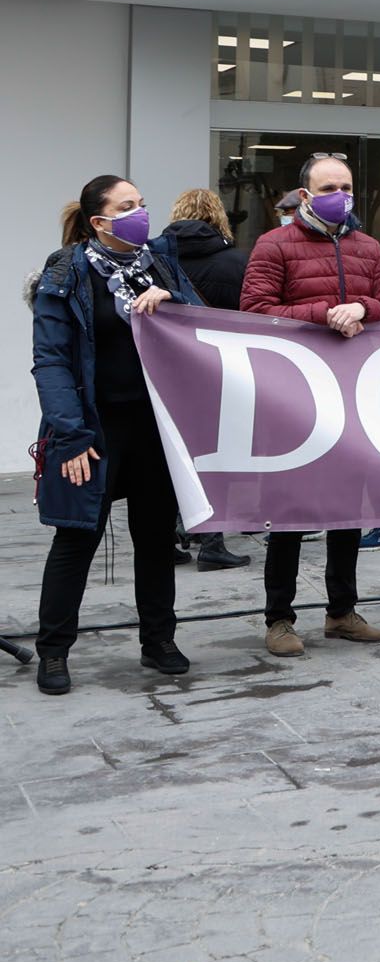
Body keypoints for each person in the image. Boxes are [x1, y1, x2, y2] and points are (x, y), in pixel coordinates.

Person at [28, 176, 203, 695]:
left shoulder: (160, 263)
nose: (140, 213)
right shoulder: (66, 273)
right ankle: (54, 651)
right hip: (92, 428)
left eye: (142, 204)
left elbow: (203, 324)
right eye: (127, 207)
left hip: (154, 426)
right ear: (99, 222)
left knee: (155, 538)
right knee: (76, 538)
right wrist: (71, 436)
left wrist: (173, 298)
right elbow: (51, 362)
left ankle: (159, 640)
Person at [242, 153, 380, 655]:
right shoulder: (274, 244)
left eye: (347, 187)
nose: (341, 196)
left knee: (347, 509)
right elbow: (255, 311)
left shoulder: (368, 247)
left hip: (353, 393)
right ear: (306, 195)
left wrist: (362, 307)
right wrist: (326, 313)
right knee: (287, 511)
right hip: (293, 395)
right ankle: (279, 619)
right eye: (330, 188)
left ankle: (341, 612)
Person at [157, 187, 253, 572]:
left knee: (173, 453)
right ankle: (212, 540)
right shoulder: (237, 262)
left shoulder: (154, 260)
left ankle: (168, 535)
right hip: (222, 371)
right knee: (217, 453)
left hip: (168, 373)